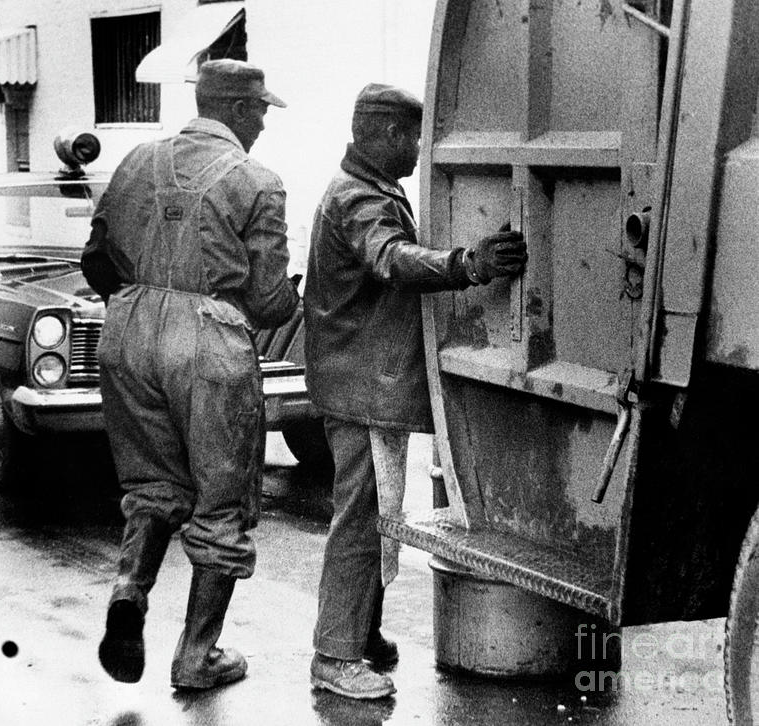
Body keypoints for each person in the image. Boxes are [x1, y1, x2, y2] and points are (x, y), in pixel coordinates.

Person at [304, 83, 527, 699]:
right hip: (361, 387)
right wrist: (468, 265)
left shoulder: (369, 188)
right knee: (362, 517)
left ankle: (361, 634)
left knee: (378, 511)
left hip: (361, 382)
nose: (420, 149)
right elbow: (393, 260)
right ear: (386, 135)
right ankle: (335, 655)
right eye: (414, 137)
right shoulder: (359, 200)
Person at [82, 58, 299, 691]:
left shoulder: (134, 162)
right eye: (260, 109)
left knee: (152, 485)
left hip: (126, 330)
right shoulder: (258, 180)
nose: (262, 121)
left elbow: (96, 257)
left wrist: (142, 301)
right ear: (235, 109)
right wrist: (286, 298)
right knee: (224, 501)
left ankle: (130, 590)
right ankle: (196, 654)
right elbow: (264, 301)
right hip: (207, 341)